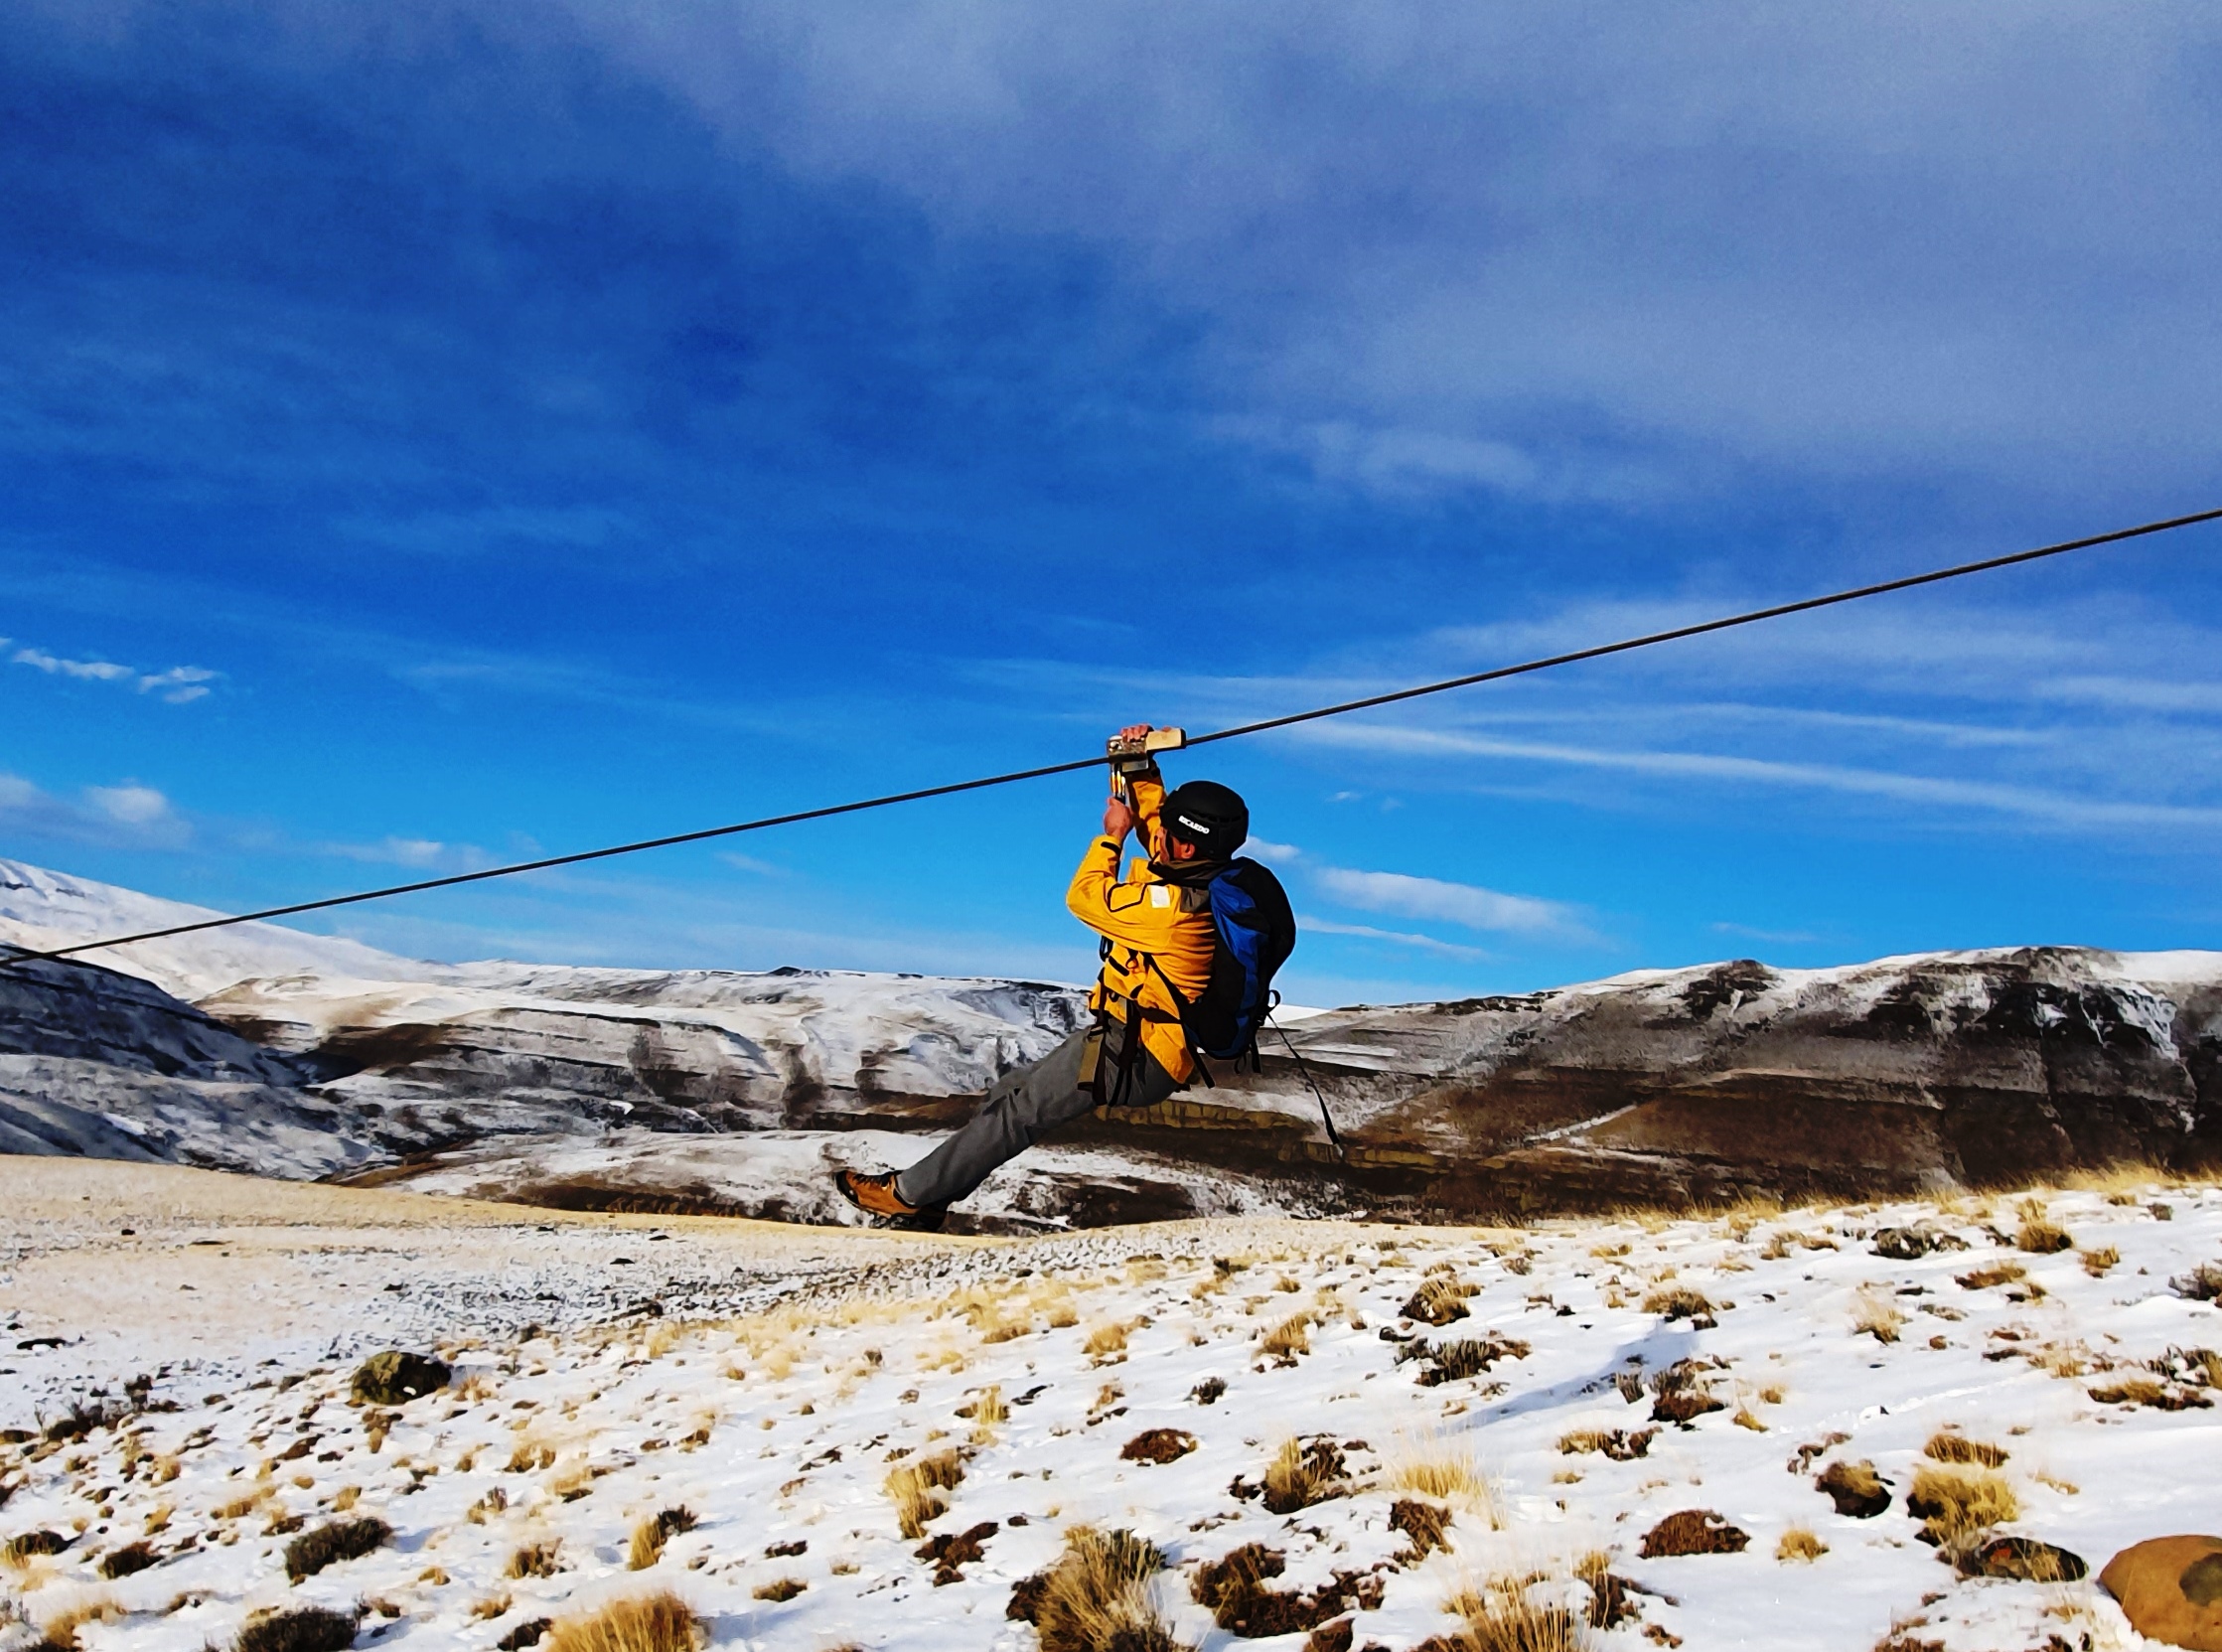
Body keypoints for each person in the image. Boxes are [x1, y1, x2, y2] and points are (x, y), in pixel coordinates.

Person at [835, 722, 1249, 1231]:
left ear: (1185, 847)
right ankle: (932, 1199)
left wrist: (1111, 837)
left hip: (1139, 1052)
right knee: (1009, 1094)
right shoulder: (1201, 876)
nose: (1155, 834)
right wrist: (1139, 765)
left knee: (1021, 1111)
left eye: (1166, 832)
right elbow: (1158, 825)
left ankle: (906, 1194)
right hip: (1129, 1036)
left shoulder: (1173, 911)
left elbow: (1085, 897)